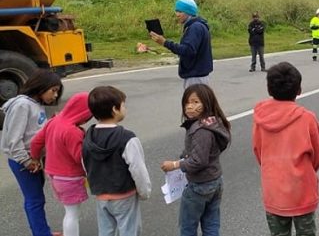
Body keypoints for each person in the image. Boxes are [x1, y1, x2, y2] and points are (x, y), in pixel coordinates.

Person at [252, 62, 319, 236]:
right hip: (302, 190)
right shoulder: (307, 118)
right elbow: (316, 156)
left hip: (273, 190)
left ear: (269, 89)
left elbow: (258, 151)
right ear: (299, 90)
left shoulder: (260, 118)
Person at [161, 84, 231, 236]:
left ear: (207, 103)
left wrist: (174, 165)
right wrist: (186, 154)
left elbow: (199, 161)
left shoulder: (200, 130)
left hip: (200, 185)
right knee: (211, 223)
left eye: (195, 102)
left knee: (187, 227)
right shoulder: (213, 122)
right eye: (187, 102)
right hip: (215, 180)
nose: (190, 106)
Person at [0, 69, 63, 236]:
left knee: (37, 199)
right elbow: (13, 140)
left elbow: (33, 130)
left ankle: (43, 231)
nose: (55, 95)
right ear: (41, 87)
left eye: (57, 91)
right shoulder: (22, 105)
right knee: (34, 200)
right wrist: (27, 162)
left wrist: (51, 123)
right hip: (24, 162)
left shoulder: (35, 104)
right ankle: (41, 233)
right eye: (53, 90)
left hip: (34, 159)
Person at [82, 86, 151, 236]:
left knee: (106, 231)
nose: (125, 108)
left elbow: (85, 164)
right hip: (125, 195)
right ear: (115, 109)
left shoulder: (88, 137)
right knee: (129, 230)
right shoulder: (127, 138)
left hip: (101, 195)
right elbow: (138, 169)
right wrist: (144, 191)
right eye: (123, 105)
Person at [30, 92, 92, 236]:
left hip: (54, 174)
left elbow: (36, 142)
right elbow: (80, 158)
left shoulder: (54, 121)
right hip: (70, 177)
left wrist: (35, 158)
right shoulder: (73, 131)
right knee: (72, 214)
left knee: (69, 210)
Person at [150, 0, 213, 88]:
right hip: (197, 75)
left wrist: (165, 42)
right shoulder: (195, 26)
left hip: (196, 77)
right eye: (176, 11)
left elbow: (187, 50)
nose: (177, 14)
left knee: (194, 102)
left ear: (189, 12)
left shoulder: (195, 27)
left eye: (180, 11)